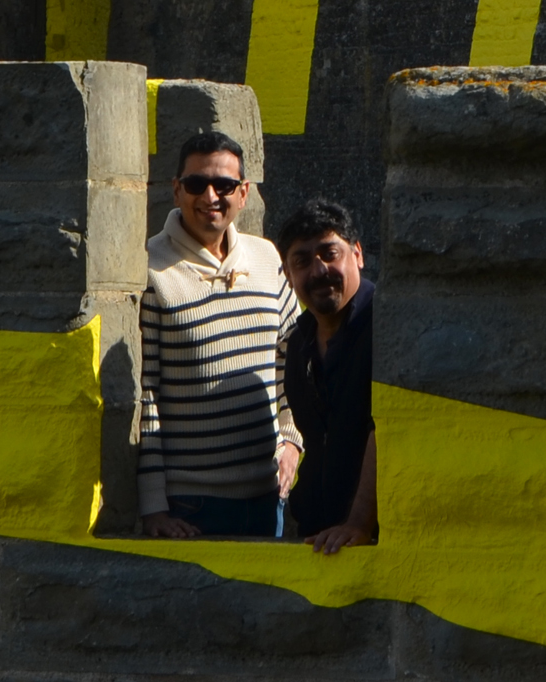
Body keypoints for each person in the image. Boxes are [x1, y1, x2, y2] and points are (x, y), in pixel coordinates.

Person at [137, 129, 301, 539]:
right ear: (176, 190)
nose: (210, 196)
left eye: (224, 185)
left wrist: (292, 440)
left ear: (243, 193)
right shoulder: (149, 270)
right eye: (196, 184)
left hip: (268, 497)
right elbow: (146, 392)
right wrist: (153, 506)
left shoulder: (266, 257)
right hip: (192, 505)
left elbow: (296, 357)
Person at [275, 196, 378, 553]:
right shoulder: (298, 341)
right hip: (317, 541)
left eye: (329, 254)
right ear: (288, 275)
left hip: (375, 543)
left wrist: (359, 522)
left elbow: (387, 432)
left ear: (358, 254)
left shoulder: (387, 329)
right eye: (302, 262)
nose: (319, 271)